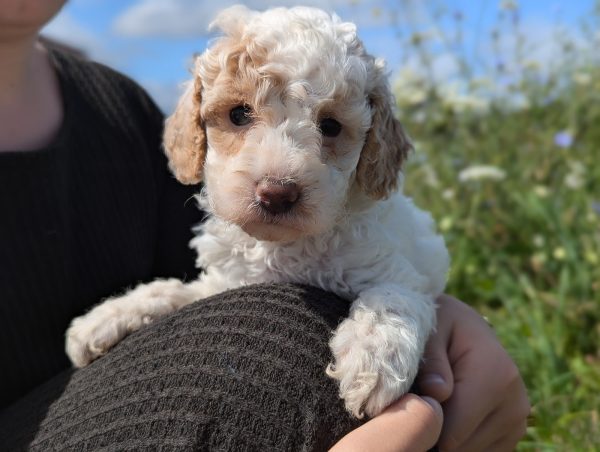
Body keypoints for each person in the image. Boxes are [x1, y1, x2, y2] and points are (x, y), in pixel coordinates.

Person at [0, 1, 529, 450]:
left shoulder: (118, 112)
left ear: (375, 146)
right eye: (239, 117)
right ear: (196, 125)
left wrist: (411, 311)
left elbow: (399, 288)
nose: (277, 178)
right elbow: (222, 299)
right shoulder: (147, 141)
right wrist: (161, 301)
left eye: (328, 128)